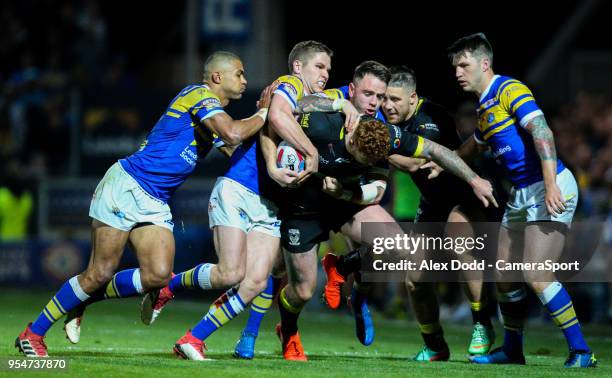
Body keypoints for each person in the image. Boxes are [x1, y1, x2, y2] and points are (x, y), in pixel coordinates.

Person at [15, 51, 273, 358]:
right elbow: (232, 131)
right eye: (240, 74)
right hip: (127, 186)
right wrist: (266, 112)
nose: (245, 80)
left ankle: (84, 300)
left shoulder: (211, 118)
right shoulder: (198, 95)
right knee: (98, 273)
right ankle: (32, 334)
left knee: (158, 276)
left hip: (156, 201)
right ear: (218, 77)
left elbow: (236, 151)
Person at [262, 61, 497, 361]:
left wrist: (474, 178)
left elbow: (423, 158)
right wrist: (274, 163)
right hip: (304, 207)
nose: (377, 103)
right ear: (351, 90)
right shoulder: (324, 114)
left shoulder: (384, 132)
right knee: (301, 289)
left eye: (382, 96)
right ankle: (290, 330)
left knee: (399, 249)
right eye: (370, 95)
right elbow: (282, 111)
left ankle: (348, 275)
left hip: (346, 203)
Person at [141, 41, 359, 361]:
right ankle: (169, 286)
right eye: (319, 66)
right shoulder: (289, 84)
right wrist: (310, 148)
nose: (326, 73)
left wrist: (347, 104)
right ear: (298, 67)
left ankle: (193, 339)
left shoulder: (319, 99)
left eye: (328, 68)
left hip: (269, 203)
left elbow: (329, 102)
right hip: (239, 189)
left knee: (256, 281)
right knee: (230, 274)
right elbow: (278, 116)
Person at [447, 33, 596, 368]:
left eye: (464, 64)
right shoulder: (486, 109)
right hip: (521, 194)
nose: (458, 71)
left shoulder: (508, 89)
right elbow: (473, 146)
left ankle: (582, 351)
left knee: (537, 274)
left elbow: (542, 131)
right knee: (505, 273)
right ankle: (513, 350)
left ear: (484, 64)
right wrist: (441, 160)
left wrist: (550, 186)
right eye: (455, 66)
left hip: (549, 185)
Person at [383, 66, 501, 360]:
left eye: (395, 100)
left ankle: (482, 324)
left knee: (459, 241)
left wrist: (377, 149)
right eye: (385, 99)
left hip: (465, 195)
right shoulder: (391, 120)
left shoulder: (430, 120)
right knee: (414, 279)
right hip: (433, 202)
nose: (388, 105)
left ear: (413, 98)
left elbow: (415, 164)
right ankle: (435, 345)